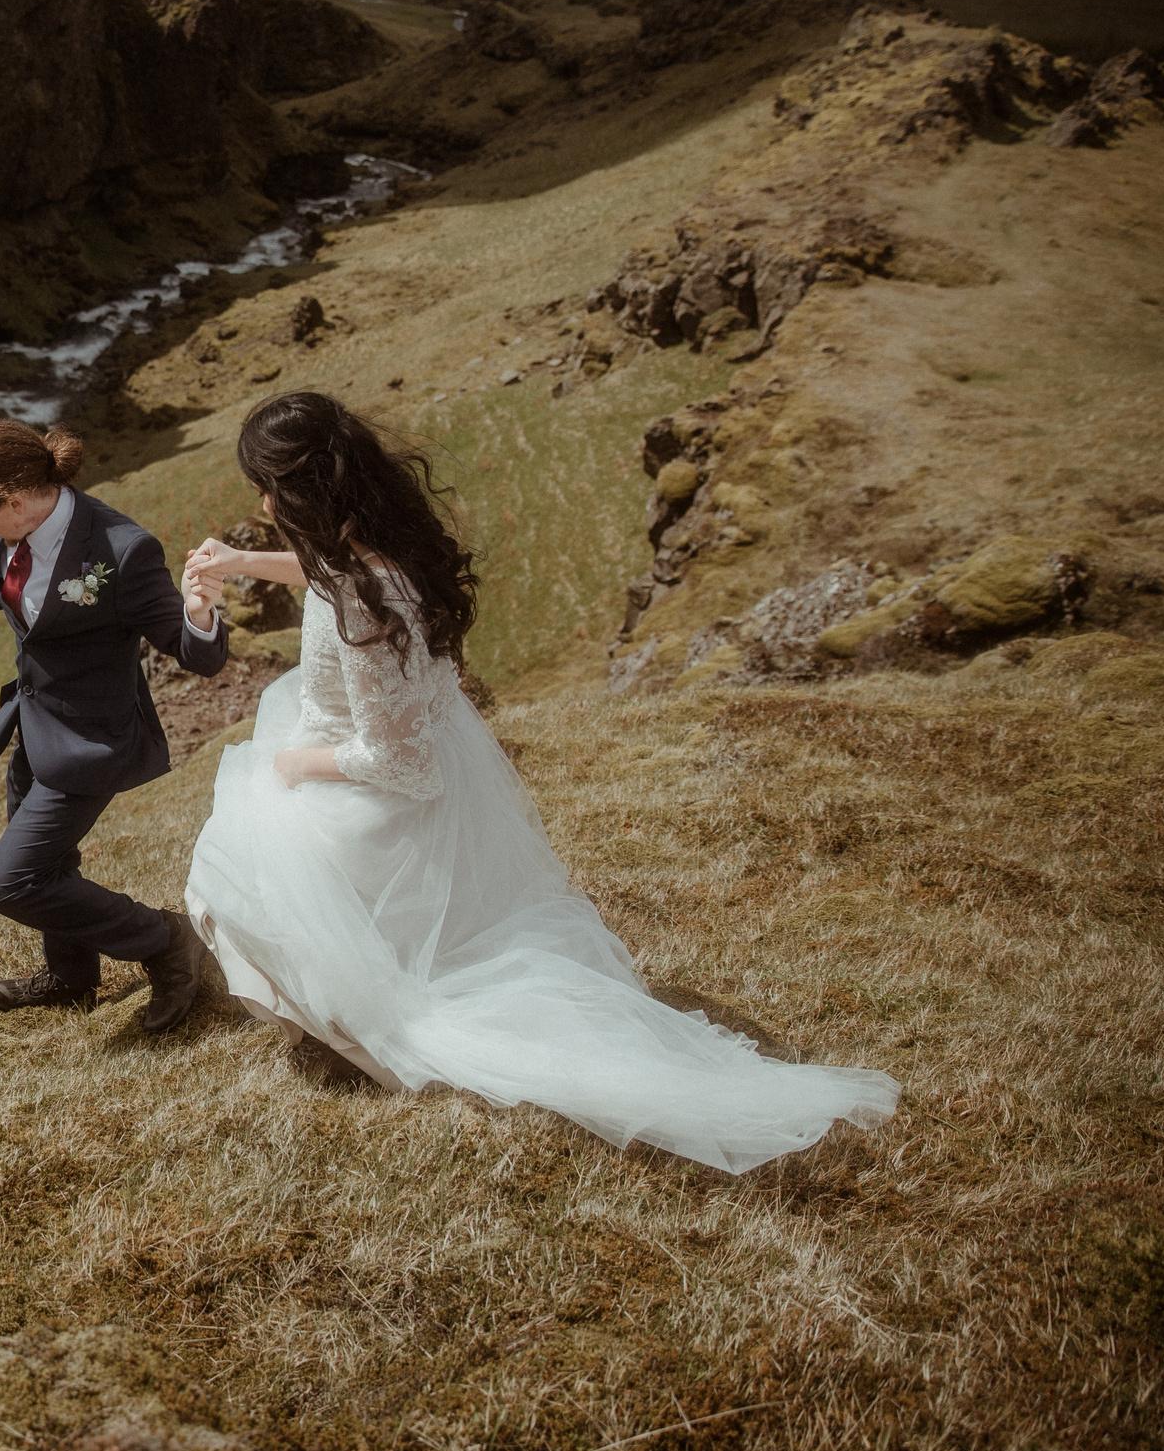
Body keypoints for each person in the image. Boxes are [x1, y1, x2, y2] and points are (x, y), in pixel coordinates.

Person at [179, 391, 899, 1173]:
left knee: (242, 854)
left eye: (267, 487)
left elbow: (399, 763)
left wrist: (296, 764)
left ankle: (358, 1025)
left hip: (380, 790)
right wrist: (244, 562)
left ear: (303, 491)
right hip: (423, 766)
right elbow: (334, 577)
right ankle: (339, 1009)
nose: (260, 501)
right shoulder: (375, 545)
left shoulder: (362, 597)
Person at [0, 420, 230, 1031]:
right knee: (49, 868)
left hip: (93, 743)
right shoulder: (23, 527)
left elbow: (199, 655)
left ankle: (166, 940)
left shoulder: (122, 549)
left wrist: (201, 611)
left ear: (13, 501)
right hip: (33, 726)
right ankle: (72, 979)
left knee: (10, 883)